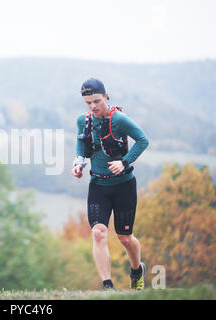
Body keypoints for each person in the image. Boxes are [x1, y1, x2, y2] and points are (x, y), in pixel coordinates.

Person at [71, 78, 149, 291]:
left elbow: (143, 140)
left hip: (124, 185)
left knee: (125, 237)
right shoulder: (83, 120)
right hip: (98, 185)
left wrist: (124, 162)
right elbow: (81, 140)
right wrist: (79, 163)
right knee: (98, 232)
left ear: (106, 96)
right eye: (88, 103)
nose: (93, 106)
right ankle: (107, 287)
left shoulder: (119, 120)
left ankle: (136, 270)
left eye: (96, 101)